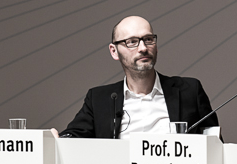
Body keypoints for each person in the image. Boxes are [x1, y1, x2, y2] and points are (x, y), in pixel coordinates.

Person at [56, 16, 219, 139]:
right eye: (132, 42)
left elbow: (215, 146)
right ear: (114, 51)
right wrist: (55, 139)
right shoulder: (99, 99)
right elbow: (71, 138)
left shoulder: (189, 91)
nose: (143, 48)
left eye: (148, 39)